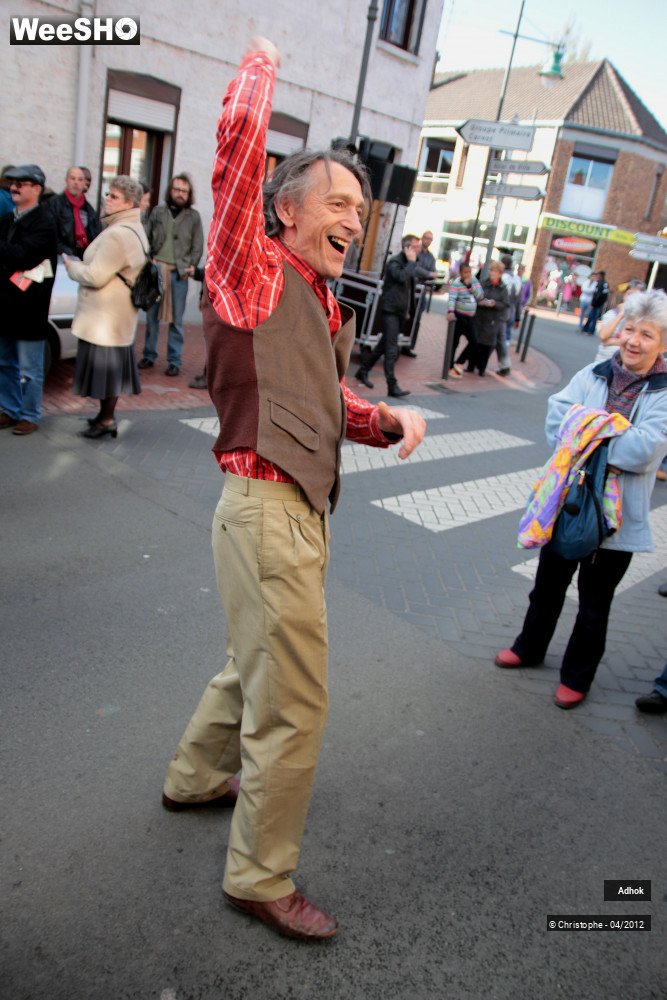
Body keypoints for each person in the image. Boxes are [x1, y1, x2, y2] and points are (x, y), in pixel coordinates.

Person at [162, 37, 425, 942]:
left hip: (288, 514)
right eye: (338, 201)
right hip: (267, 511)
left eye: (362, 206)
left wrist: (384, 420)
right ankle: (259, 875)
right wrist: (261, 68)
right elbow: (235, 156)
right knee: (295, 704)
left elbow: (321, 395)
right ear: (285, 209)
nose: (356, 216)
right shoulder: (251, 267)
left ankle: (195, 777)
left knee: (252, 665)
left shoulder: (314, 294)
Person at [495, 290, 667, 709]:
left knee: (594, 604)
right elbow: (557, 421)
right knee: (547, 586)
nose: (633, 340)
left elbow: (643, 451)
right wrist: (605, 429)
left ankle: (577, 676)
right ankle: (529, 647)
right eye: (629, 328)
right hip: (568, 502)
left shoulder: (662, 393)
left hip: (614, 520)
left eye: (647, 334)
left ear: (662, 344)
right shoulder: (593, 373)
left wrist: (585, 429)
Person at [63, 175, 147, 438]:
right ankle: (104, 416)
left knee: (107, 373)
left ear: (129, 203)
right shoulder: (131, 228)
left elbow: (95, 275)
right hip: (114, 315)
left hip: (107, 317)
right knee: (109, 371)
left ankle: (107, 420)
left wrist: (72, 267)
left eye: (114, 196)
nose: (107, 199)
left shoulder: (119, 235)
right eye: (108, 194)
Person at [0, 164, 57, 436]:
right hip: (5, 305)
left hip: (29, 309)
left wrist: (7, 257)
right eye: (13, 182)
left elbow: (23, 257)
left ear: (37, 189)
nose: (15, 187)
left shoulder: (45, 222)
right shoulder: (7, 220)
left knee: (30, 369)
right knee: (4, 362)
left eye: (22, 183)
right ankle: (9, 409)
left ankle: (30, 414)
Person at [137, 173, 203, 376]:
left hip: (178, 275)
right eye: (176, 189)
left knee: (177, 321)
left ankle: (174, 360)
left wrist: (190, 266)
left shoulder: (193, 217)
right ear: (170, 190)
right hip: (157, 272)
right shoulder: (158, 212)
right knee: (152, 317)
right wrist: (148, 261)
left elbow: (197, 244)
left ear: (189, 193)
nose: (180, 194)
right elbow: (145, 237)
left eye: (184, 191)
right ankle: (149, 354)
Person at [354, 233, 419, 397]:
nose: (417, 250)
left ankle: (363, 371)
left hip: (399, 312)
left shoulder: (409, 264)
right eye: (415, 246)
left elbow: (409, 290)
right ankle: (392, 385)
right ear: (407, 248)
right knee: (391, 349)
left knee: (383, 346)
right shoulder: (395, 262)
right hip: (390, 310)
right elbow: (401, 277)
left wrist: (409, 311)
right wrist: (411, 262)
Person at [45, 165, 101, 259]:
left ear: (84, 184)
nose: (76, 182)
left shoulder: (89, 210)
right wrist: (66, 252)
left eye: (80, 179)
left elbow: (95, 237)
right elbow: (49, 235)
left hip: (82, 259)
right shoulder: (54, 204)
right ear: (66, 180)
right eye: (72, 178)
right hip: (59, 257)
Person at [470, 260, 510, 377]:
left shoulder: (503, 288)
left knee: (487, 345)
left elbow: (505, 304)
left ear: (500, 273)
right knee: (475, 341)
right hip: (480, 317)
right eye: (491, 270)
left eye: (495, 271)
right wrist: (480, 301)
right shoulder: (483, 283)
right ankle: (471, 365)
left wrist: (494, 303)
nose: (492, 273)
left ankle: (481, 368)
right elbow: (475, 296)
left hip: (493, 320)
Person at [595, 278, 646, 362]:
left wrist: (610, 341)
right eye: (629, 294)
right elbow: (603, 336)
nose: (632, 298)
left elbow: (640, 343)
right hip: (604, 361)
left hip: (627, 364)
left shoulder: (642, 319)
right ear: (624, 295)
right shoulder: (612, 314)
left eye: (636, 296)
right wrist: (621, 314)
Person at [446, 262, 483, 377]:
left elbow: (480, 296)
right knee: (454, 343)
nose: (467, 274)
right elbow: (452, 298)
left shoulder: (474, 281)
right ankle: (449, 366)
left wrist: (470, 286)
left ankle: (460, 362)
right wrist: (451, 311)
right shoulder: (456, 283)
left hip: (470, 317)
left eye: (469, 272)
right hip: (459, 316)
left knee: (474, 341)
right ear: (460, 273)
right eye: (465, 272)